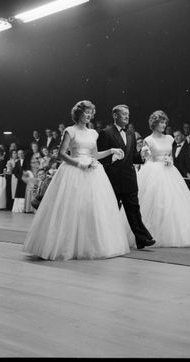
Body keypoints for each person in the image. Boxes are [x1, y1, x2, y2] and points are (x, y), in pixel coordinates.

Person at [23, 100, 131, 260]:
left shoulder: (94, 133)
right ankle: (64, 245)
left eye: (90, 113)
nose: (88, 115)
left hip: (92, 171)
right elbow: (62, 154)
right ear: (78, 113)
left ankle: (89, 245)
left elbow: (94, 155)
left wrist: (111, 150)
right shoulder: (70, 131)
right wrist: (79, 164)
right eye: (86, 112)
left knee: (91, 208)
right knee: (70, 208)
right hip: (74, 170)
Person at [138, 110, 190, 246]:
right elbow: (147, 159)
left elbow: (171, 155)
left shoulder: (169, 138)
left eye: (165, 122)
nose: (164, 125)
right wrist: (147, 155)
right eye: (161, 122)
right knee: (155, 203)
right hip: (154, 171)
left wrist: (170, 160)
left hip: (169, 171)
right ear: (154, 124)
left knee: (173, 202)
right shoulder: (148, 140)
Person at [98, 104, 155, 250]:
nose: (127, 117)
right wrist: (111, 160)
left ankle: (142, 239)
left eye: (128, 114)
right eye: (124, 114)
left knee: (134, 209)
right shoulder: (106, 133)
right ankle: (108, 241)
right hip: (113, 179)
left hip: (129, 177)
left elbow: (132, 157)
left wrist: (142, 156)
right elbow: (100, 158)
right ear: (115, 116)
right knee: (112, 210)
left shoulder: (130, 133)